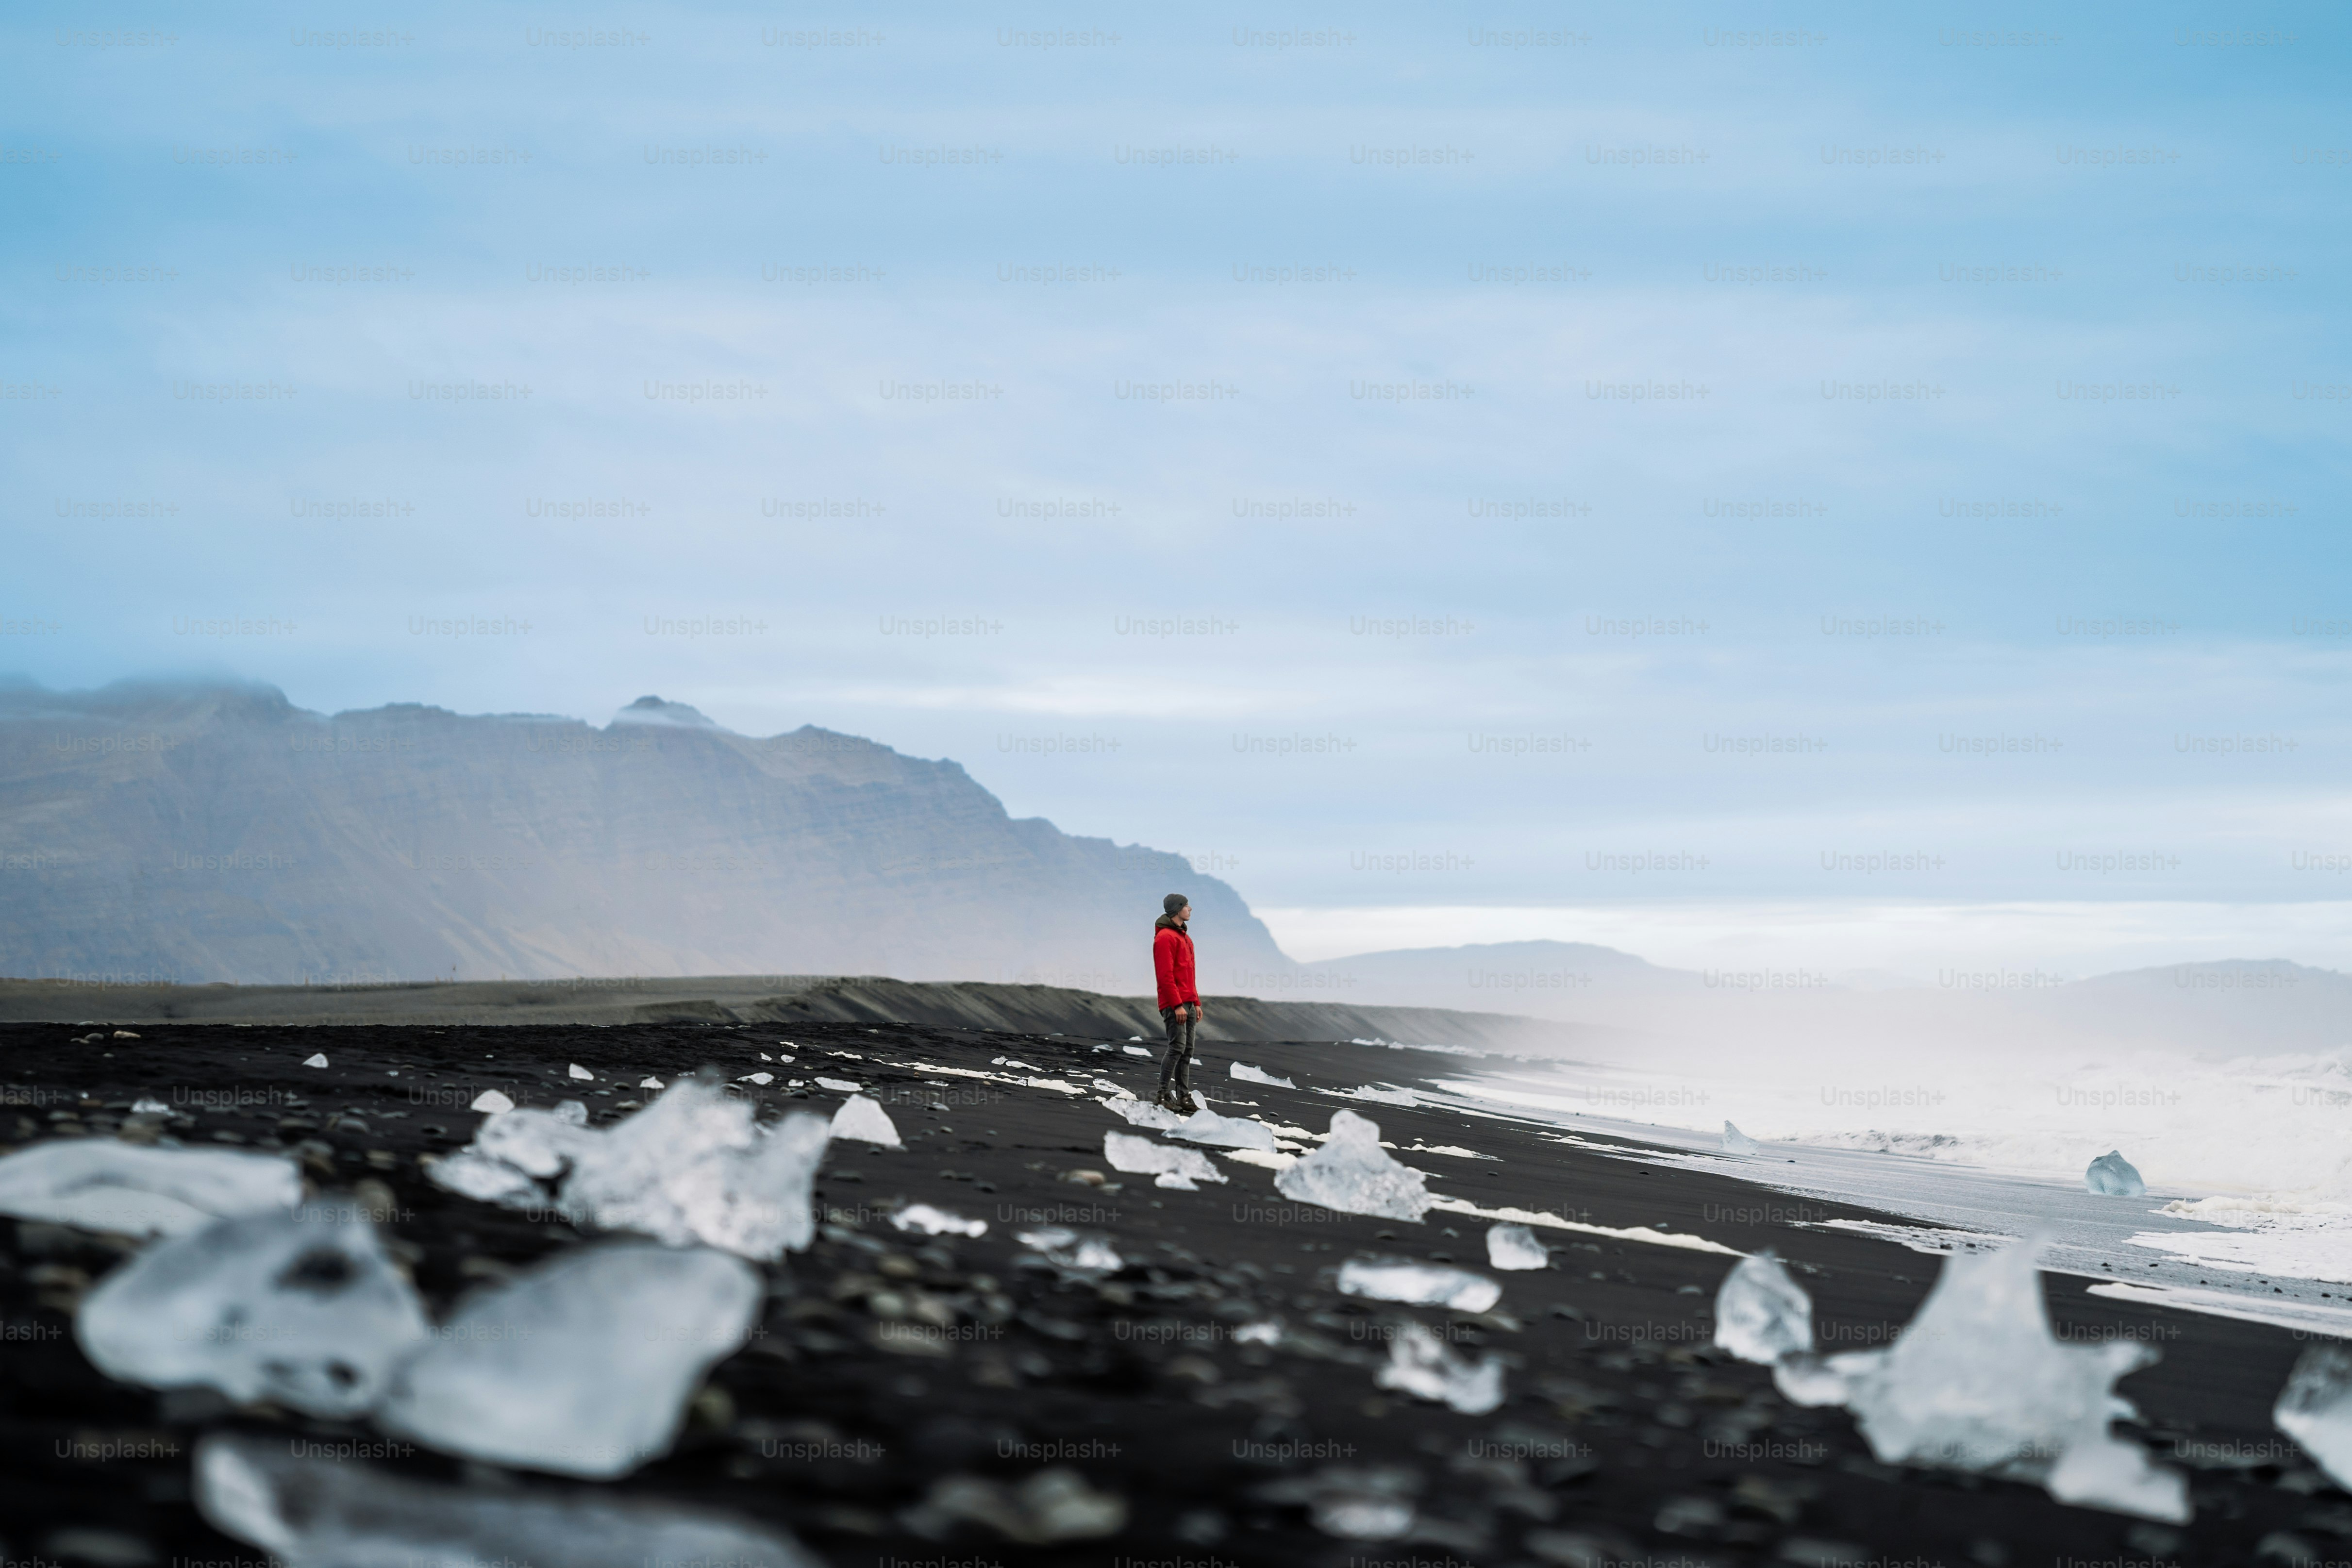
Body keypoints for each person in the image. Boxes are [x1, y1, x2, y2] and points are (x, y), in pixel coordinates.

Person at [1152, 892, 1202, 1112]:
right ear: (1177, 909)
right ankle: (1163, 1095)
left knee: (1187, 1050)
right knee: (1176, 1048)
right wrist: (1177, 1005)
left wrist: (1196, 1002)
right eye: (1186, 905)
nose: (1190, 909)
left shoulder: (1185, 938)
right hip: (1176, 1005)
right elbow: (1165, 976)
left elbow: (1189, 975)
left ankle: (1184, 1097)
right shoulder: (1165, 938)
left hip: (1189, 1003)